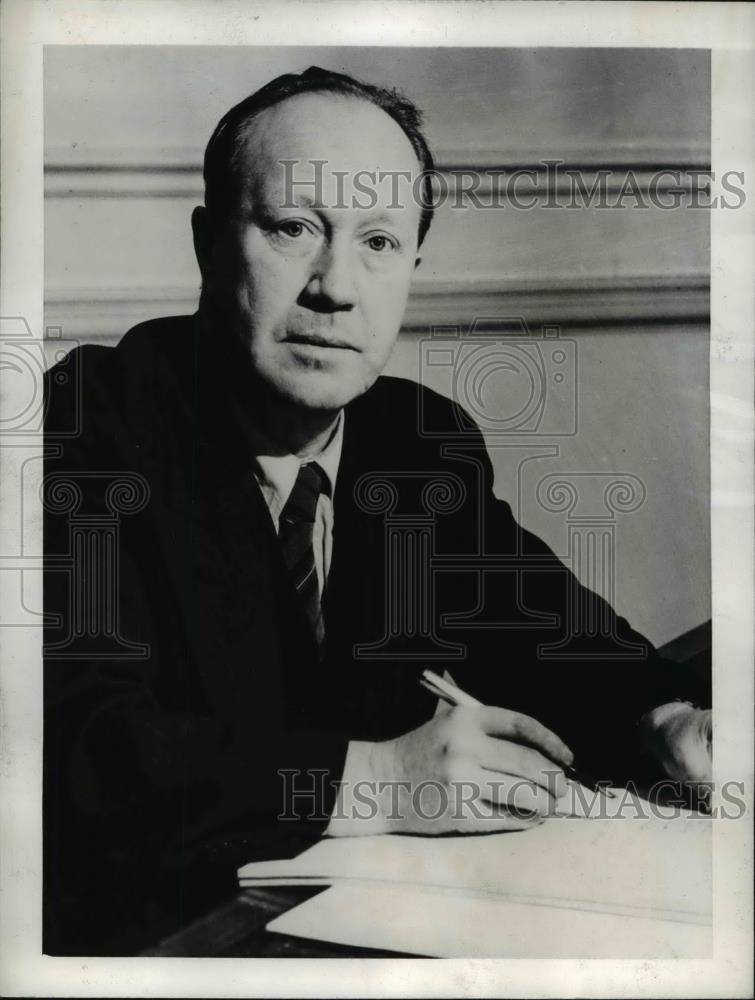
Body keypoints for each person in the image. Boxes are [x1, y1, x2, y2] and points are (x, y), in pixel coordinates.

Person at [43, 66, 711, 955]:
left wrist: (662, 720)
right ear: (207, 243)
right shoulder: (85, 425)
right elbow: (81, 749)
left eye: (380, 243)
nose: (337, 287)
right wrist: (382, 780)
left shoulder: (416, 437)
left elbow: (541, 628)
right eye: (292, 229)